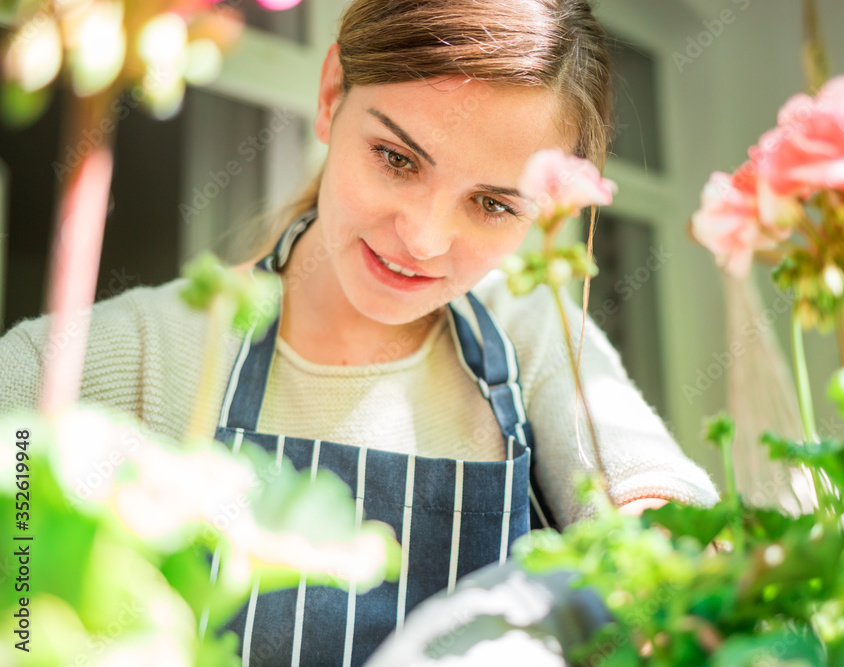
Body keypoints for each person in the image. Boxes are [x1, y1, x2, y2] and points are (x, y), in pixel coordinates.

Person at [0, 0, 720, 664]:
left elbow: (656, 505)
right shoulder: (126, 356)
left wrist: (676, 563)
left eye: (494, 204)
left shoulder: (530, 330)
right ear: (330, 95)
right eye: (397, 159)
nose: (425, 239)